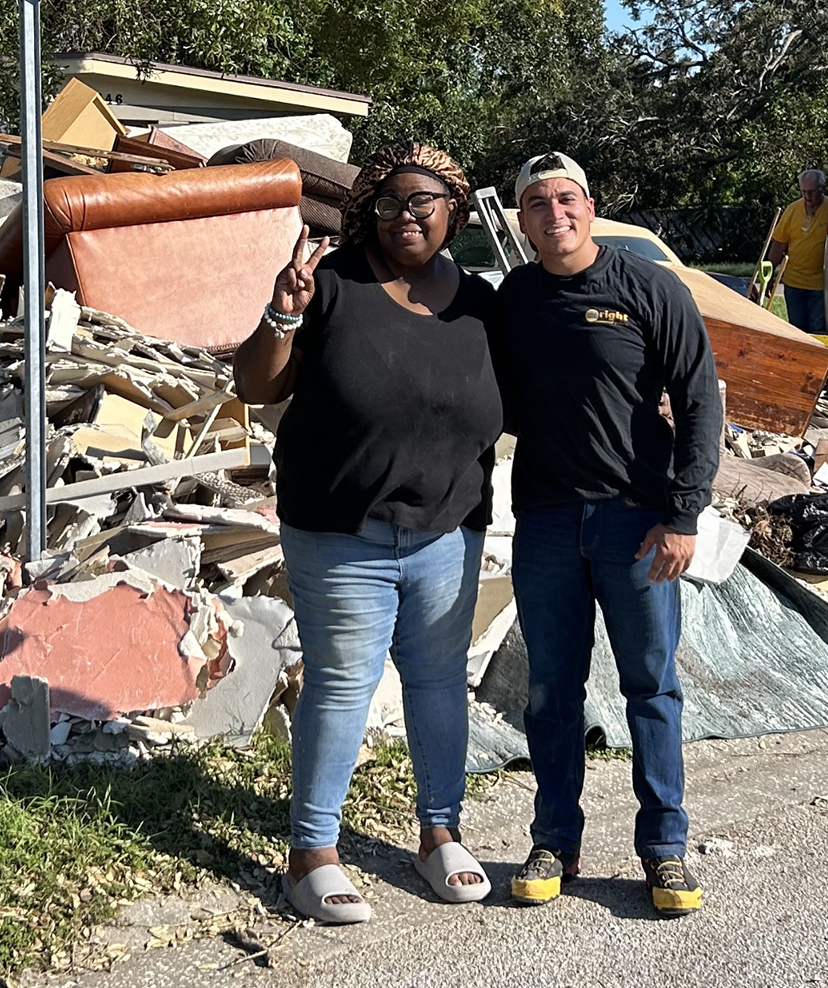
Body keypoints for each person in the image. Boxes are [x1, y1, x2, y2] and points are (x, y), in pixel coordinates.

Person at [233, 142, 503, 924]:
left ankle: (439, 832)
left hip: (448, 530)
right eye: (387, 203)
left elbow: (521, 400)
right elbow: (256, 385)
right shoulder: (333, 285)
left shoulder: (480, 302)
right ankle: (311, 851)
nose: (404, 217)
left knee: (437, 682)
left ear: (453, 208)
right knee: (344, 686)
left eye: (423, 202)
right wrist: (283, 310)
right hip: (341, 531)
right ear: (366, 214)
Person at [493, 151, 721, 916]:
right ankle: (555, 836)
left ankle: (664, 849)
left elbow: (699, 403)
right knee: (551, 690)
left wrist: (683, 513)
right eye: (536, 204)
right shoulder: (514, 299)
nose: (553, 213)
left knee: (650, 688)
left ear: (590, 207)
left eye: (566, 199)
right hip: (548, 521)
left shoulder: (650, 288)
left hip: (637, 522)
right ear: (521, 221)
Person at [767, 169, 828, 334]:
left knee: (819, 333)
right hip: (794, 284)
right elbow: (779, 244)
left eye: (811, 192)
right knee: (797, 332)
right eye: (803, 192)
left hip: (821, 286)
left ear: (822, 189)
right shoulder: (793, 209)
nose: (807, 197)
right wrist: (770, 274)